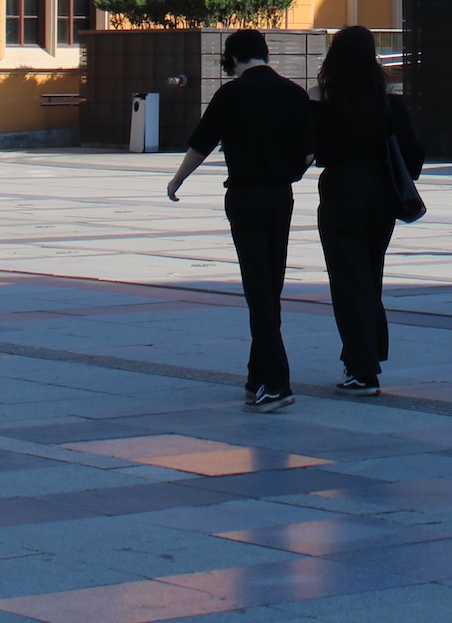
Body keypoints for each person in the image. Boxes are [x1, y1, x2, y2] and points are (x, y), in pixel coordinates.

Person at [166, 27, 315, 409]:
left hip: (245, 196)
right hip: (282, 196)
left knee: (257, 288)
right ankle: (257, 377)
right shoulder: (293, 93)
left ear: (232, 59)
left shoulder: (231, 94)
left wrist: (177, 179)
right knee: (272, 283)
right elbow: (310, 152)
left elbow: (202, 143)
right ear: (265, 53)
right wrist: (289, 172)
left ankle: (277, 384)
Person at [309, 25, 424, 396]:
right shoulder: (389, 102)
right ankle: (364, 355)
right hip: (381, 192)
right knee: (370, 275)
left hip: (342, 189)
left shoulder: (323, 101)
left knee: (348, 280)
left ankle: (362, 368)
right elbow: (414, 153)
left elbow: (308, 149)